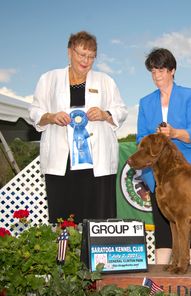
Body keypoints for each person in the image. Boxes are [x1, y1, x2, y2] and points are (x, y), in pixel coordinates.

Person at [29, 31, 127, 224]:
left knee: (98, 217)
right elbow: (35, 111)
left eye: (91, 57)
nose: (86, 61)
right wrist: (51, 116)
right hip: (61, 160)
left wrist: (105, 114)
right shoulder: (48, 79)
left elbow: (121, 110)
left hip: (96, 162)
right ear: (69, 52)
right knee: (63, 217)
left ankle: (94, 255)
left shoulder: (106, 81)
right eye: (82, 55)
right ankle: (63, 255)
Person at [137, 48, 191, 264]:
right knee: (164, 236)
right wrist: (153, 141)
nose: (156, 76)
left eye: (161, 70)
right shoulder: (145, 102)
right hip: (161, 178)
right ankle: (160, 288)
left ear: (172, 70)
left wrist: (174, 133)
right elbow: (141, 138)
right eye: (153, 71)